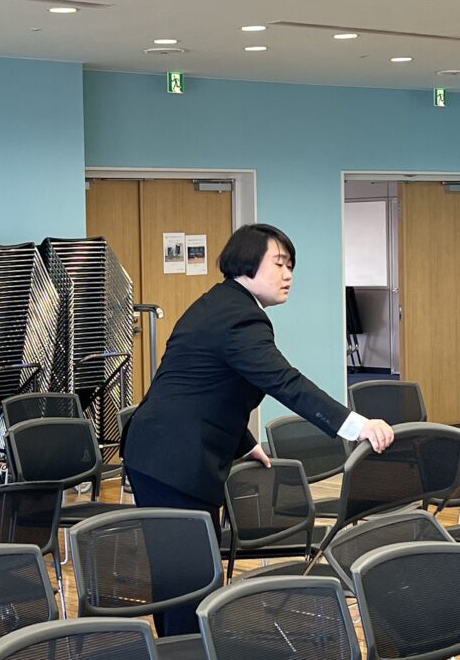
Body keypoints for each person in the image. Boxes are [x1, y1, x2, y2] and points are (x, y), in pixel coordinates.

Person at [122, 223, 394, 636]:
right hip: (172, 459)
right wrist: (355, 426)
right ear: (246, 264)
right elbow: (285, 381)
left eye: (291, 266)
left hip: (167, 452)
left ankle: (183, 645)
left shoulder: (224, 305)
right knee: (188, 579)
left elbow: (207, 385)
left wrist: (245, 442)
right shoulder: (238, 318)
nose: (288, 275)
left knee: (186, 574)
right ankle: (184, 648)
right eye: (279, 264)